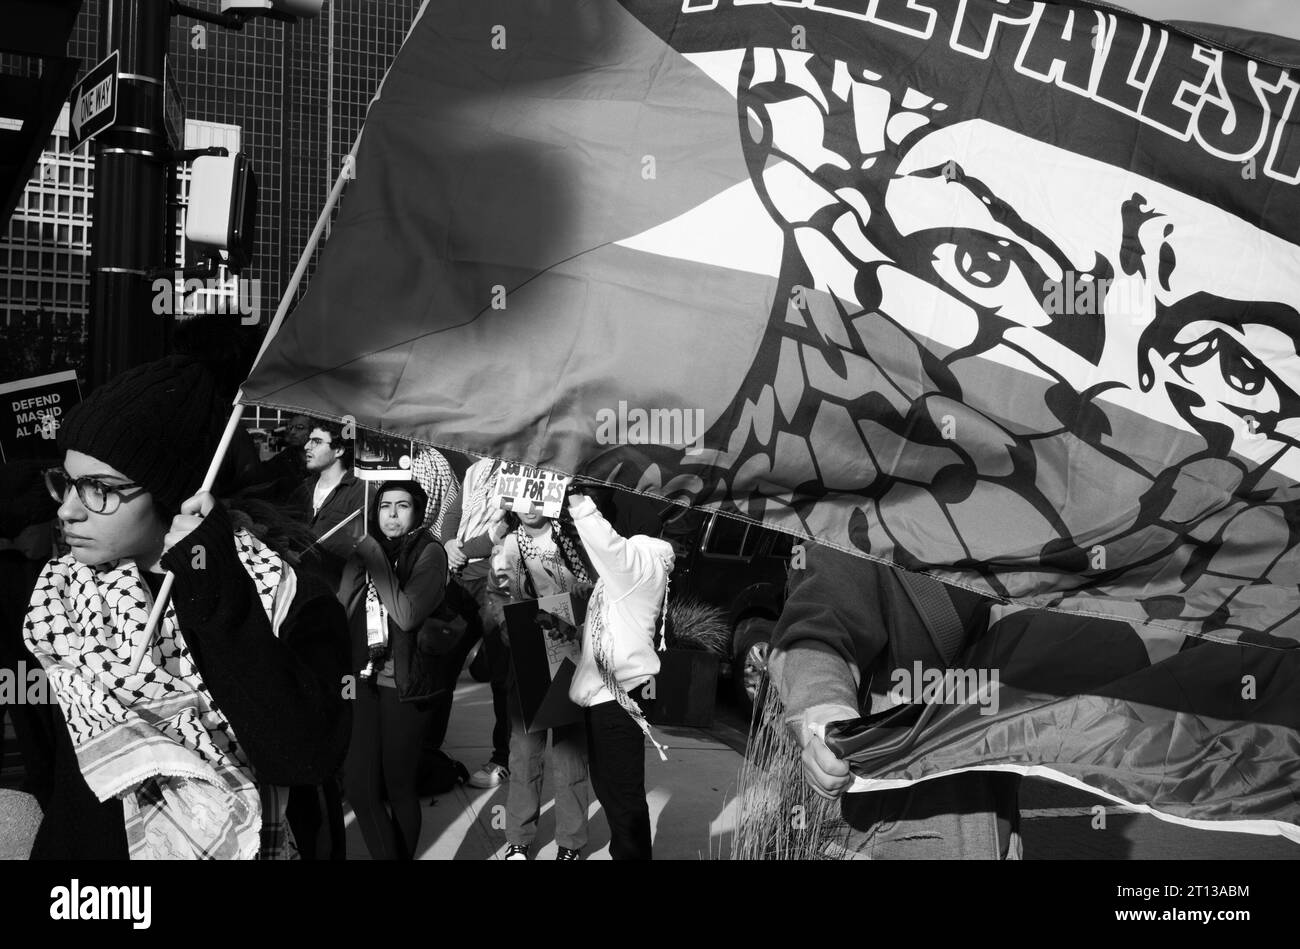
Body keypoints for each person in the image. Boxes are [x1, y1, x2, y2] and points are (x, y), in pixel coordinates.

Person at [22, 355, 351, 859]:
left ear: (173, 492)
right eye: (65, 482)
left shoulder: (288, 594)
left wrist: (216, 590)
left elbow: (304, 756)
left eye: (98, 490)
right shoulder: (62, 595)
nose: (68, 509)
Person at [768, 543, 1021, 859]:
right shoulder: (861, 526)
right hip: (878, 840)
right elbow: (818, 629)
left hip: (993, 830)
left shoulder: (1027, 545)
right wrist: (826, 710)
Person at [338, 480, 448, 860]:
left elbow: (405, 614)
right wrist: (358, 563)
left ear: (418, 511)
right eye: (385, 506)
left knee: (398, 785)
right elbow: (343, 608)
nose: (392, 514)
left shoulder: (429, 553)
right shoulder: (371, 549)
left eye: (403, 506)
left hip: (404, 684)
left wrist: (375, 559)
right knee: (358, 785)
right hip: (361, 678)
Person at [565, 483, 674, 861]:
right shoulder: (635, 569)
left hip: (620, 697)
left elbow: (606, 545)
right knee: (613, 793)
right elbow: (610, 625)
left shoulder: (640, 562)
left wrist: (577, 498)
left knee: (622, 797)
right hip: (610, 695)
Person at [488, 502, 594, 860]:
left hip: (573, 651)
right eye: (520, 497)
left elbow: (600, 590)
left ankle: (571, 842)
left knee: (571, 754)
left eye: (537, 496)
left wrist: (585, 592)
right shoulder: (506, 545)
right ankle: (518, 837)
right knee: (524, 751)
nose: (529, 506)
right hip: (527, 652)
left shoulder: (575, 541)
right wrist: (507, 627)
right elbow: (496, 597)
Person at [428, 457, 512, 788]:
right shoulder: (477, 467)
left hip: (498, 577)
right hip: (460, 577)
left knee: (503, 676)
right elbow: (452, 511)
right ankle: (429, 750)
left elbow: (506, 527)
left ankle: (503, 758)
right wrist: (449, 544)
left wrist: (460, 549)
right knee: (442, 665)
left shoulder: (524, 472)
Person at [289, 419, 366, 594]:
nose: (307, 446)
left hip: (338, 594)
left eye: (316, 442)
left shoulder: (361, 493)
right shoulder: (302, 490)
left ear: (338, 450)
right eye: (309, 440)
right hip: (299, 591)